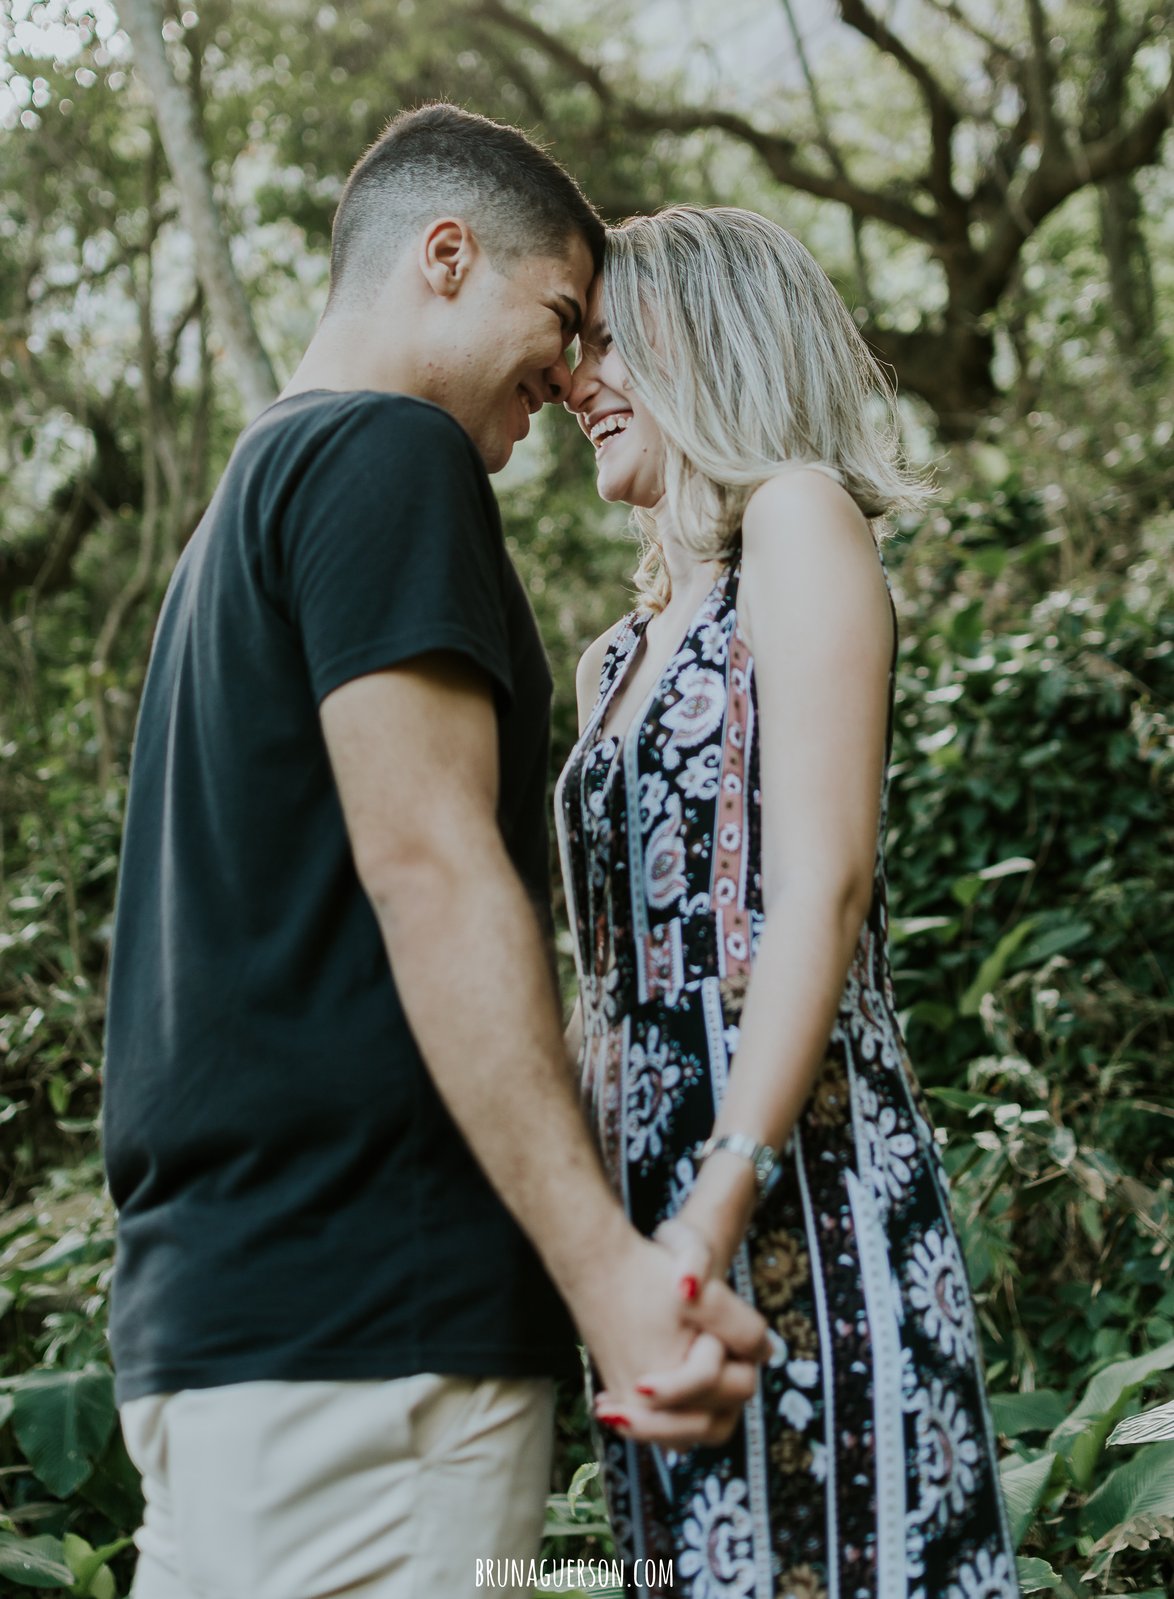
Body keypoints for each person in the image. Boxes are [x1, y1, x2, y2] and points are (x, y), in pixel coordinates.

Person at [103, 110, 768, 1599]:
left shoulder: (250, 500)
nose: (577, 371)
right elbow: (432, 868)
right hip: (368, 1327)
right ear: (447, 257)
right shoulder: (387, 454)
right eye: (564, 318)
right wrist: (612, 1280)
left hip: (234, 1327)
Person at [558, 207, 1018, 1599]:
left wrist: (721, 1196)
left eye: (615, 337)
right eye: (574, 344)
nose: (583, 375)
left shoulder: (802, 525)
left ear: (713, 337)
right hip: (645, 1222)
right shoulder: (610, 658)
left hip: (798, 1193)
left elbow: (823, 888)